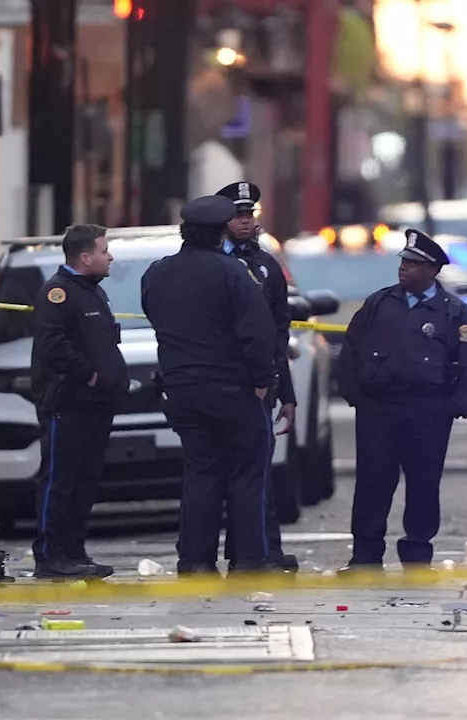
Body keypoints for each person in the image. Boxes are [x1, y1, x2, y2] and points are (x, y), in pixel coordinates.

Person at [335, 228, 467, 571]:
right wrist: (356, 395)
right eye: (403, 261)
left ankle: (417, 557)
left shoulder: (452, 312)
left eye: (414, 263)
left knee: (423, 486)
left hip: (428, 411)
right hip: (380, 409)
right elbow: (350, 350)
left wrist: (456, 407)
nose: (404, 268)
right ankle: (365, 557)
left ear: (433, 270)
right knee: (373, 484)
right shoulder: (379, 304)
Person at [141, 195, 280, 575]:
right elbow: (258, 333)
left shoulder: (157, 273)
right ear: (221, 234)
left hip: (182, 389)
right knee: (247, 475)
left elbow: (156, 317)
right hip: (232, 389)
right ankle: (250, 559)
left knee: (201, 474)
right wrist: (263, 381)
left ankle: (195, 561)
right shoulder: (233, 273)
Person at [29, 224, 129, 579]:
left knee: (85, 480)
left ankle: (74, 552)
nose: (110, 257)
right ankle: (50, 555)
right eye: (104, 251)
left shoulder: (91, 292)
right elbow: (53, 347)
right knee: (60, 478)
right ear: (85, 257)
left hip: (97, 403)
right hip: (69, 403)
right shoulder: (58, 293)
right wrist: (88, 374)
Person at [215, 181, 298, 573]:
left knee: (259, 473)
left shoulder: (266, 266)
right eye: (237, 215)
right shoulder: (211, 261)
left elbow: (279, 332)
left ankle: (265, 550)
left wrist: (288, 392)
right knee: (223, 475)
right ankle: (240, 553)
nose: (245, 222)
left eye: (249, 215)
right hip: (221, 382)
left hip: (260, 385)